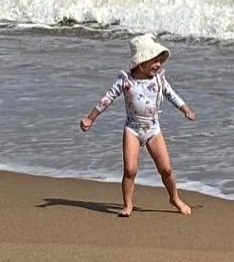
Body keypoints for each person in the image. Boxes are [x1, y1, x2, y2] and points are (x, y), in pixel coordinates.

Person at [80, 33, 196, 218]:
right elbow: (107, 99)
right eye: (153, 61)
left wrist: (186, 109)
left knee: (166, 169)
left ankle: (175, 198)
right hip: (132, 129)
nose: (158, 65)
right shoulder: (126, 81)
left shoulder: (159, 80)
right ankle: (127, 205)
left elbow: (172, 95)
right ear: (140, 63)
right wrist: (90, 118)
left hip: (153, 129)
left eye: (160, 60)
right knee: (130, 169)